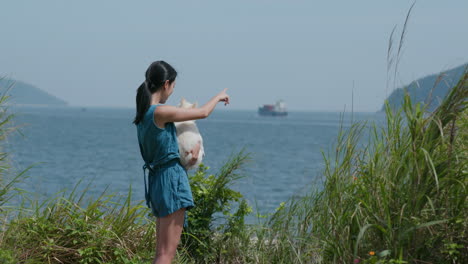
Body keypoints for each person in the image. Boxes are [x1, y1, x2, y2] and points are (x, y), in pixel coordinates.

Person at [133, 61, 229, 264]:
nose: (172, 92)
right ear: (166, 84)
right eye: (173, 86)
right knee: (167, 254)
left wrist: (189, 158)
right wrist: (218, 97)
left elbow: (160, 150)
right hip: (171, 180)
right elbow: (202, 113)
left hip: (157, 180)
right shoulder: (160, 112)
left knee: (160, 252)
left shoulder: (142, 116)